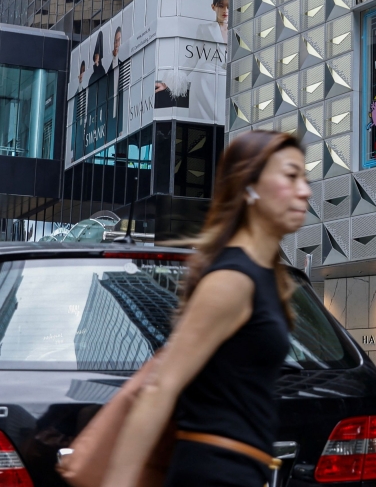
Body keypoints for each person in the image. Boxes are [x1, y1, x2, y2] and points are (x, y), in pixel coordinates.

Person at [101, 130, 311, 487]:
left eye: (305, 178)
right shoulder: (232, 279)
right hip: (213, 474)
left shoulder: (266, 276)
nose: (304, 190)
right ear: (249, 186)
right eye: (291, 176)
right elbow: (161, 387)